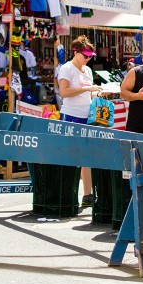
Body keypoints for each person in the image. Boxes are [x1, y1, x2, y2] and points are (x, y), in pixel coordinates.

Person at [57, 35, 104, 207]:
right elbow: (64, 92)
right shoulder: (67, 68)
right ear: (75, 52)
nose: (88, 58)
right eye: (85, 55)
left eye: (90, 56)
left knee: (87, 156)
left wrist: (98, 93)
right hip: (71, 115)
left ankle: (87, 195)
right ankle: (67, 192)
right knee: (70, 155)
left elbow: (88, 93)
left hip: (87, 115)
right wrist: (88, 89)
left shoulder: (88, 70)